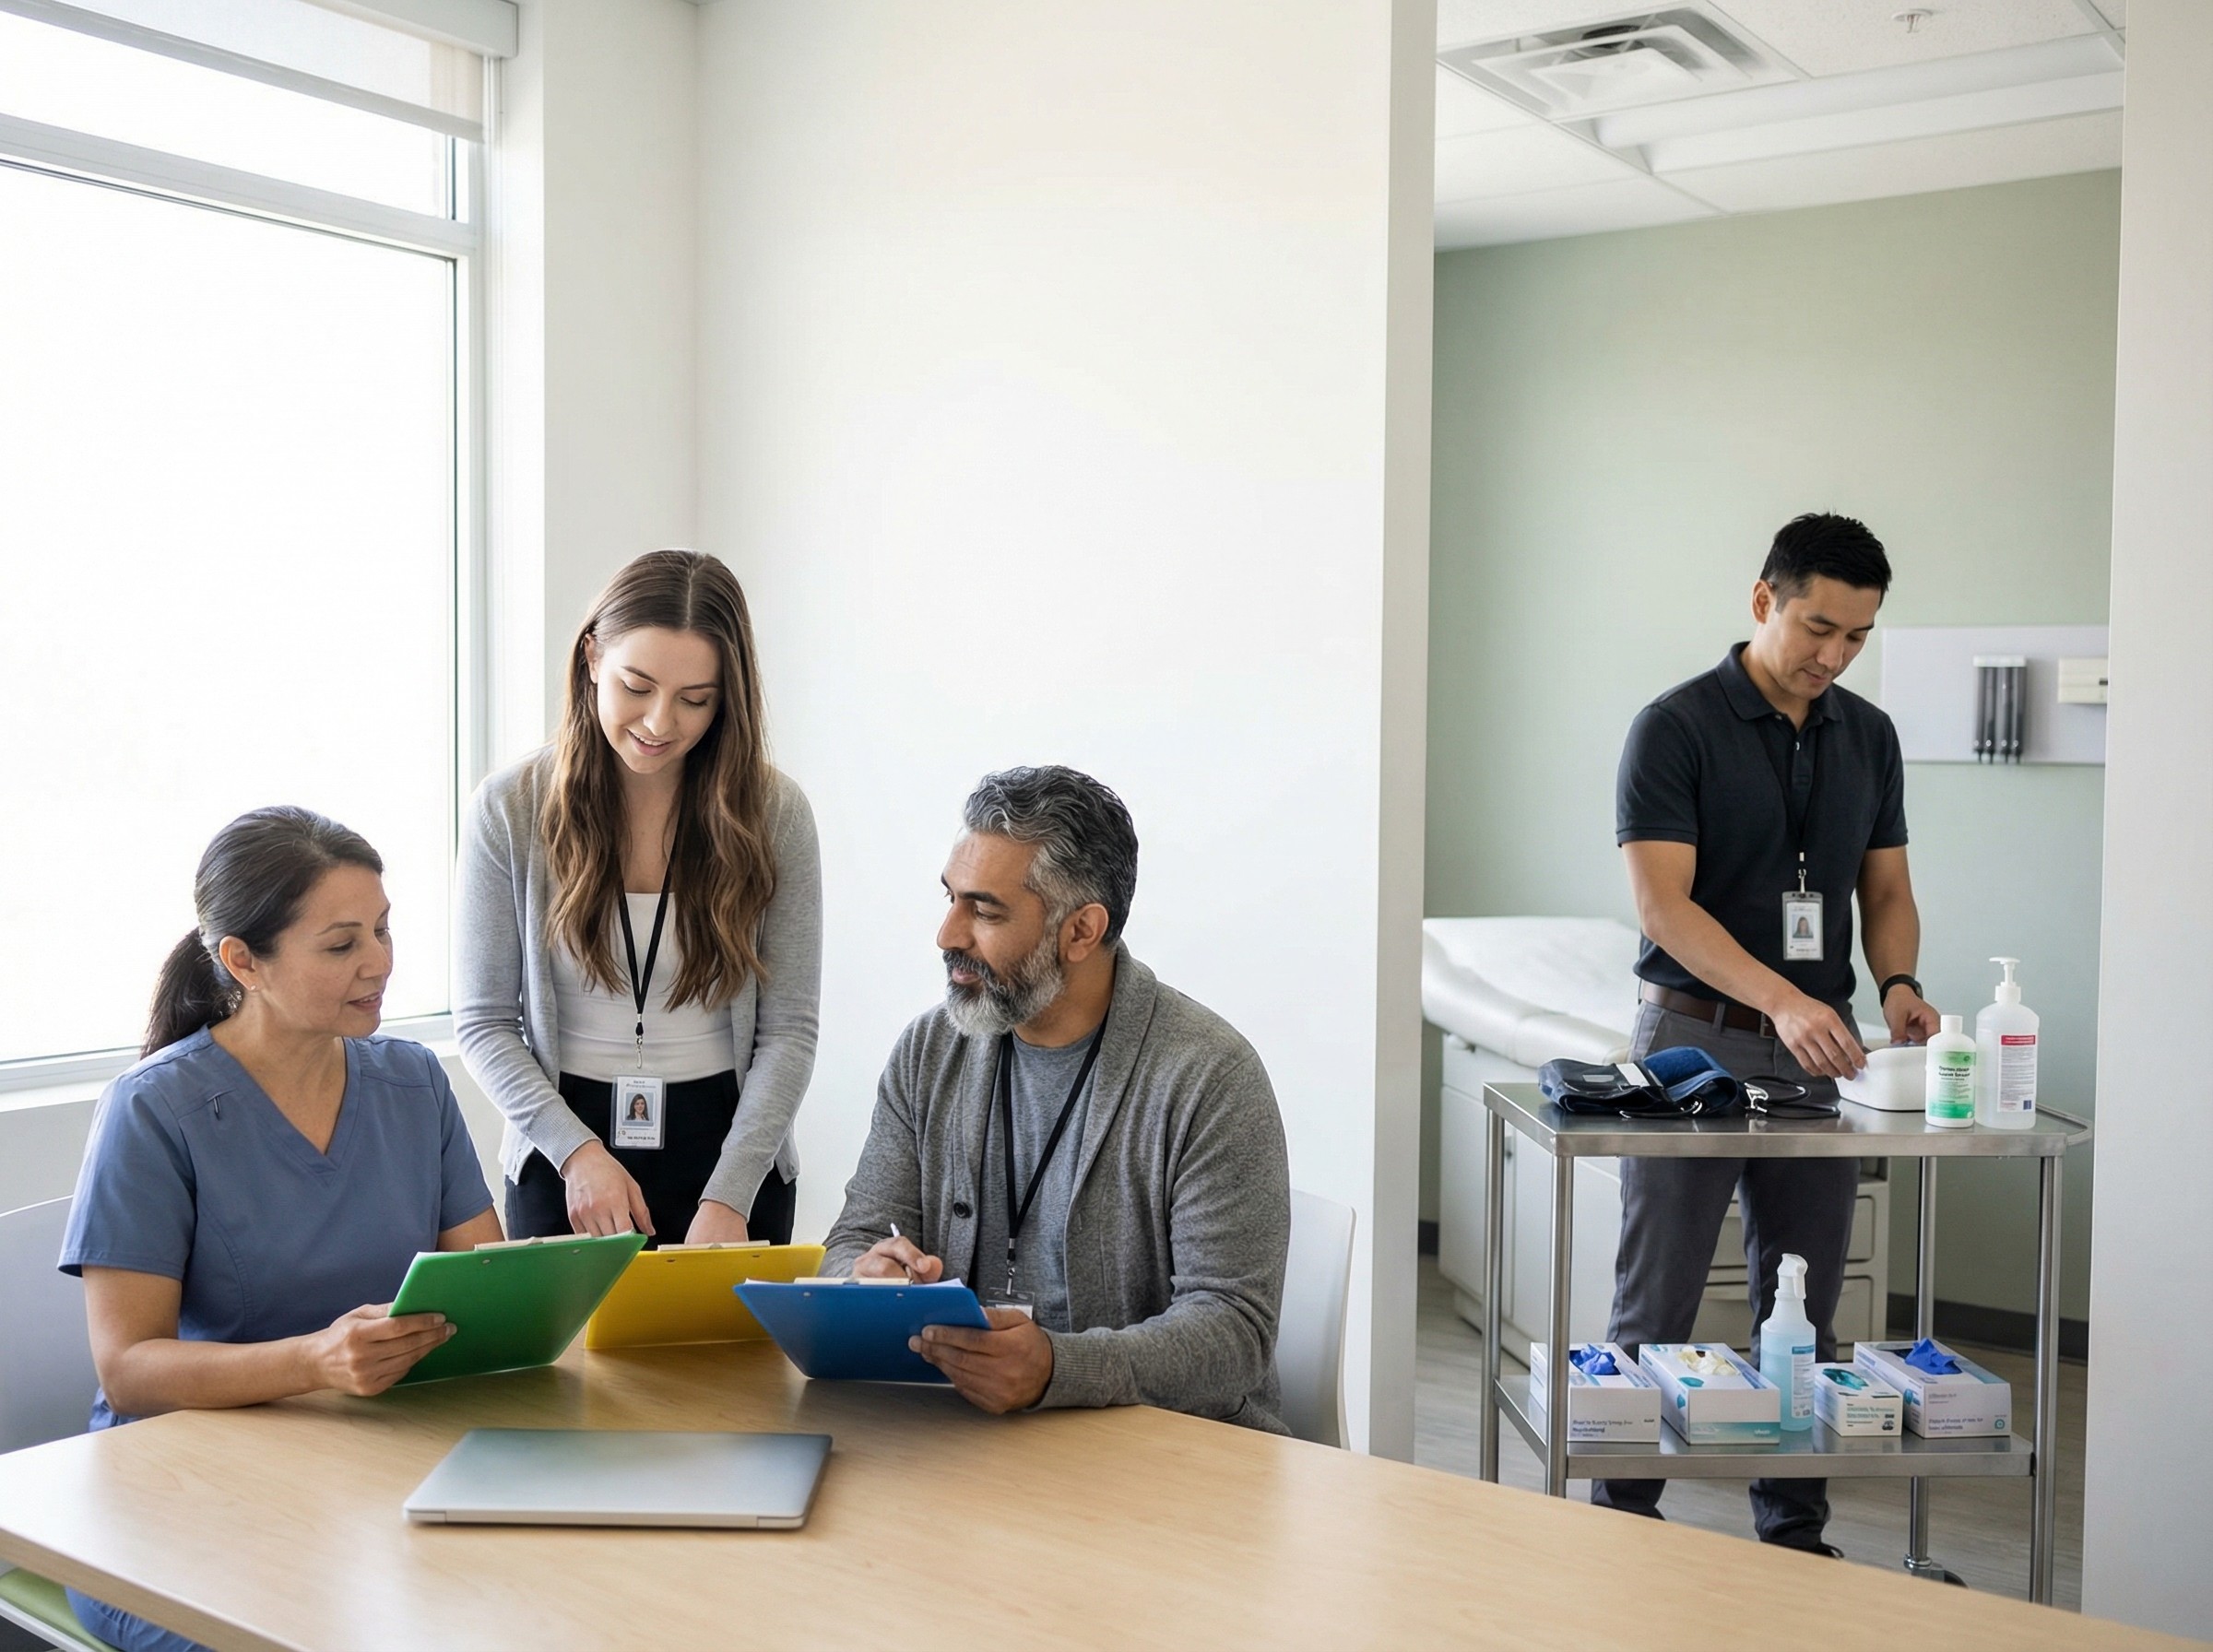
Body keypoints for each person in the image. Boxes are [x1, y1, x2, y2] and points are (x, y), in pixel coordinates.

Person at [59, 808, 502, 1652]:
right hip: (174, 1497)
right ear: (242, 961)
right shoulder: (155, 1111)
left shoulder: (412, 1082)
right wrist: (315, 1360)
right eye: (341, 945)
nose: (378, 962)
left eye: (382, 929)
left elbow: (486, 1279)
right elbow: (129, 1373)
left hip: (358, 1467)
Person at [1598, 513, 1941, 1554]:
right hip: (1691, 1044)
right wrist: (1784, 1001)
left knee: (1805, 1307)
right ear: (1764, 601)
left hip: (1818, 1056)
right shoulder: (1675, 727)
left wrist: (1896, 981)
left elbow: (1886, 889)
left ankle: (1793, 1536)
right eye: (1818, 628)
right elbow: (1665, 909)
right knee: (1655, 1299)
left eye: (1858, 638)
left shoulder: (1869, 738)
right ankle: (1622, 1528)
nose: (1833, 657)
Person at [821, 766, 1291, 1431]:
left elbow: (1232, 1335)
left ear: (1081, 931)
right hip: (969, 1442)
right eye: (951, 898)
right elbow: (855, 1238)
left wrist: (1058, 1370)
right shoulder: (929, 1051)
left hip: (1165, 1457)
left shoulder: (1209, 1076)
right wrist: (863, 1279)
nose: (947, 934)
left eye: (984, 910)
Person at [456, 549, 821, 1248]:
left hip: (731, 1150)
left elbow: (790, 1032)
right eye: (637, 685)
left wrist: (732, 1192)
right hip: (563, 1144)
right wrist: (577, 1153)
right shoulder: (509, 808)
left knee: (727, 1361)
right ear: (591, 657)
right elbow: (483, 1023)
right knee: (570, 1362)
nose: (660, 723)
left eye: (696, 700)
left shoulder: (775, 814)